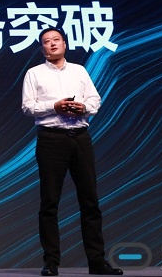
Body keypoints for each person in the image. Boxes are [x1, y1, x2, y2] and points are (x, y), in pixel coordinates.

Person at [21, 27, 122, 276]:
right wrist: (54, 106)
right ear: (42, 48)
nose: (52, 44)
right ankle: (51, 262)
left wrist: (83, 108)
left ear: (65, 44)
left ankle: (97, 262)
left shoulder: (79, 71)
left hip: (80, 139)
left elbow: (95, 100)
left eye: (56, 40)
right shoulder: (34, 73)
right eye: (47, 41)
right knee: (49, 203)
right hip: (51, 139)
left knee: (90, 201)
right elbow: (27, 107)